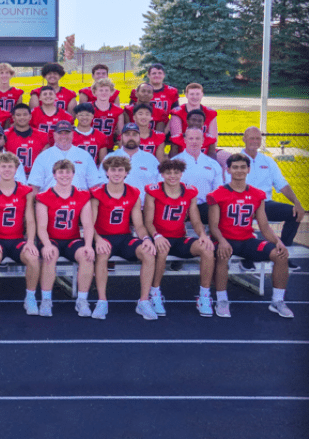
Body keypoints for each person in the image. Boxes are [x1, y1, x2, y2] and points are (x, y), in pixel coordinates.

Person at [207, 153, 293, 318]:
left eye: (242, 167)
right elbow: (213, 226)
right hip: (225, 239)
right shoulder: (217, 194)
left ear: (248, 169)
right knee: (222, 255)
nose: (239, 170)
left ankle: (277, 301)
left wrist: (278, 241)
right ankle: (222, 299)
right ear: (228, 170)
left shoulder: (257, 194)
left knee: (280, 255)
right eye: (235, 167)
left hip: (247, 240)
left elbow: (264, 226)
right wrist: (222, 241)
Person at [89, 156, 157, 320]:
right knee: (102, 254)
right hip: (103, 237)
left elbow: (139, 225)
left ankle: (143, 301)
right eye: (113, 170)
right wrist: (98, 240)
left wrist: (146, 239)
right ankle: (102, 301)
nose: (117, 173)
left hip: (125, 238)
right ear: (107, 172)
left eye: (120, 170)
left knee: (148, 253)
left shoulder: (133, 193)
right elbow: (90, 224)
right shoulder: (97, 193)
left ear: (126, 172)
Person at [143, 160, 215, 317]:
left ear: (181, 173)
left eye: (176, 172)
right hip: (159, 236)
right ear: (162, 174)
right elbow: (148, 221)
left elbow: (195, 220)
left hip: (179, 237)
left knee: (207, 249)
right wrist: (156, 236)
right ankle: (154, 293)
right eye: (168, 173)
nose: (172, 176)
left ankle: (204, 296)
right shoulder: (153, 191)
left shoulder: (190, 191)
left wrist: (203, 235)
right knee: (162, 249)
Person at [34, 160, 96, 318]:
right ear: (54, 175)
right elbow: (41, 227)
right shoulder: (44, 196)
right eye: (60, 172)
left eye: (68, 172)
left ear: (73, 174)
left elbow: (88, 225)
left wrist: (89, 245)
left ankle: (82, 300)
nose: (64, 175)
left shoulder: (82, 195)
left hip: (71, 239)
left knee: (87, 256)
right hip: (51, 238)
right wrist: (47, 245)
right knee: (50, 254)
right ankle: (46, 300)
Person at [0, 153, 39, 317]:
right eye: (3, 166)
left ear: (16, 169)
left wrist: (30, 241)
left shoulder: (25, 191)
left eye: (10, 166)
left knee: (33, 257)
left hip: (17, 240)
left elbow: (30, 219)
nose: (7, 170)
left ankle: (30, 297)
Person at [238, 126, 304, 270]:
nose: (255, 141)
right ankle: (246, 258)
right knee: (241, 218)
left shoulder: (267, 161)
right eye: (251, 138)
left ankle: (282, 254)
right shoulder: (236, 160)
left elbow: (282, 184)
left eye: (258, 138)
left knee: (294, 213)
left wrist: (297, 202)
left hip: (265, 203)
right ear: (244, 139)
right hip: (243, 203)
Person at [28, 121, 102, 192]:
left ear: (72, 134)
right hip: (51, 198)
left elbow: (94, 185)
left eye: (67, 133)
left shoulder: (85, 155)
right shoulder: (43, 156)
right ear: (54, 135)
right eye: (60, 133)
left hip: (80, 198)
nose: (63, 136)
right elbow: (34, 186)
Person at [171, 127, 224, 222]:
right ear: (185, 140)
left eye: (197, 138)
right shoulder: (174, 163)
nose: (194, 142)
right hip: (180, 207)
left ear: (203, 140)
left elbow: (218, 191)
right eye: (191, 138)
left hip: (206, 208)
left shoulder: (213, 164)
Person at [97, 123, 160, 201]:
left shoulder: (151, 159)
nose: (131, 137)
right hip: (116, 204)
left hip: (143, 204)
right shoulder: (110, 157)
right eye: (127, 134)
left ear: (139, 137)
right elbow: (101, 183)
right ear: (121, 137)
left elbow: (159, 184)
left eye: (134, 134)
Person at [4, 103, 48, 175]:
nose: (22, 117)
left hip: (35, 175)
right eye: (18, 115)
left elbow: (45, 160)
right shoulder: (5, 135)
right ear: (13, 117)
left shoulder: (42, 135)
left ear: (30, 116)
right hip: (12, 175)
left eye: (25, 115)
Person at [89, 78, 124, 145]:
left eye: (106, 90)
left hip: (108, 145)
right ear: (95, 92)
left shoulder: (118, 110)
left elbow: (121, 132)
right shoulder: (88, 107)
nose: (104, 93)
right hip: (91, 145)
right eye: (101, 90)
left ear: (111, 92)